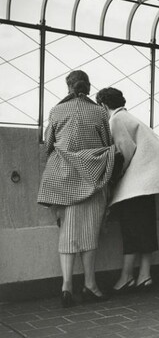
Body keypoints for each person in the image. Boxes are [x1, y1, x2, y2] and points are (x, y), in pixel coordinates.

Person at [37, 70, 116, 308]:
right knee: (89, 234)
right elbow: (107, 144)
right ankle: (91, 285)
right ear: (89, 87)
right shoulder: (99, 112)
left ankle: (66, 287)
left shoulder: (56, 111)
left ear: (68, 87)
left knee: (68, 235)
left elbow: (49, 144)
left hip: (63, 180)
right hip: (92, 179)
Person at [96, 87, 159, 293]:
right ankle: (145, 275)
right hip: (149, 183)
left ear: (103, 105)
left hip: (135, 184)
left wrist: (116, 177)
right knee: (146, 229)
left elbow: (124, 152)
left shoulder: (116, 120)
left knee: (131, 231)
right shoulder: (131, 117)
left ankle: (126, 276)